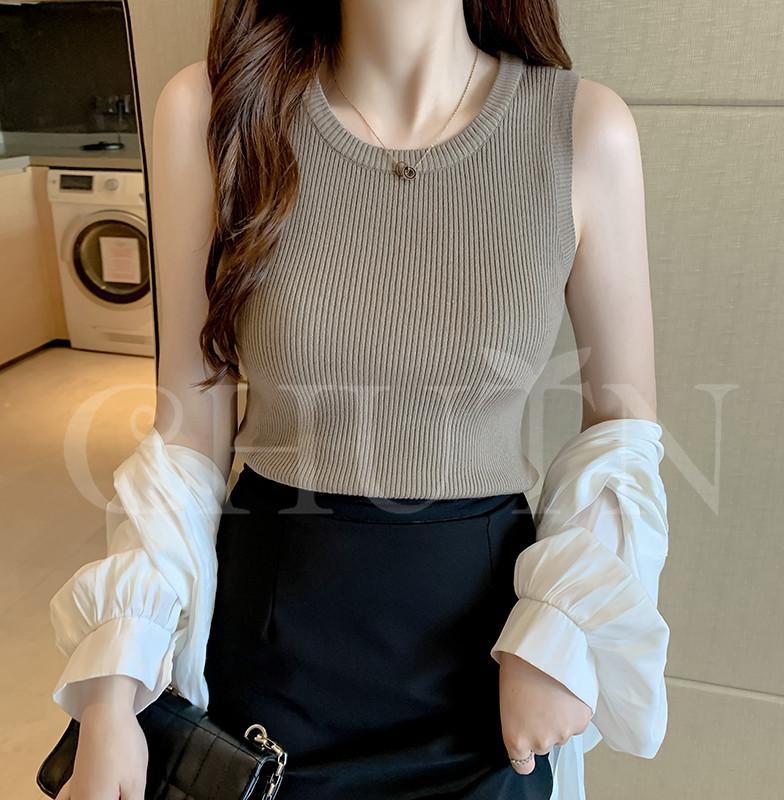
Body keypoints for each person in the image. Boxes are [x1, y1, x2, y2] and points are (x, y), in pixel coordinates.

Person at [49, 1, 669, 799]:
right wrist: (116, 682)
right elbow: (187, 439)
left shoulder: (582, 130)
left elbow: (622, 428)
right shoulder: (215, 112)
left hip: (490, 676)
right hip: (271, 665)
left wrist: (566, 632)